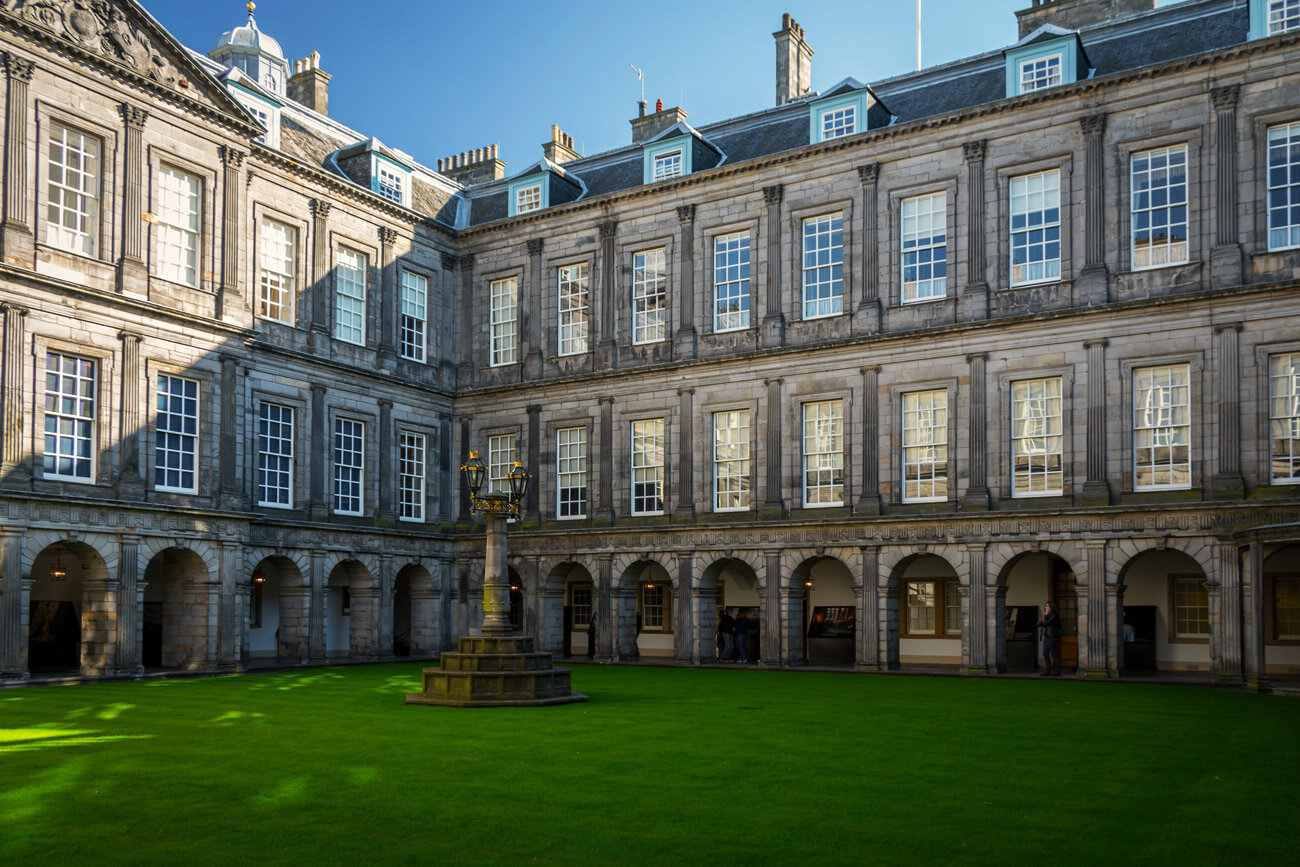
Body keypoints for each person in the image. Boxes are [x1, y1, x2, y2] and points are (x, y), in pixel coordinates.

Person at [1038, 600, 1062, 676]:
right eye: (1045, 606)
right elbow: (1045, 624)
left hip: (1052, 637)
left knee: (1054, 654)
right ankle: (1047, 671)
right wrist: (1040, 623)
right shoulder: (1049, 615)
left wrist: (1045, 615)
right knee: (1045, 653)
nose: (1046, 607)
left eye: (1047, 606)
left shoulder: (1054, 615)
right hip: (1047, 636)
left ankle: (1057, 671)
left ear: (1051, 607)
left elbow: (1047, 623)